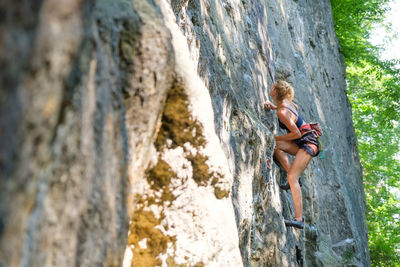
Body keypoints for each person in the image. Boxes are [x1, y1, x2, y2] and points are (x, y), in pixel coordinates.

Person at [264, 80, 319, 229]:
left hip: (308, 144)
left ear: (275, 92)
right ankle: (292, 178)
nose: (271, 87)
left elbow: (296, 133)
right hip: (304, 142)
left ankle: (299, 220)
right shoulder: (288, 106)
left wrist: (277, 137)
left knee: (293, 176)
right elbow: (292, 110)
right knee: (276, 146)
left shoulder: (282, 111)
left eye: (273, 86)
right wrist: (273, 106)